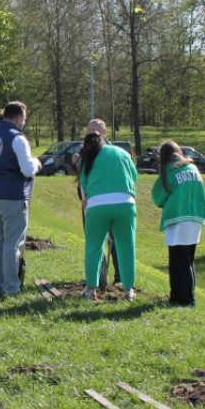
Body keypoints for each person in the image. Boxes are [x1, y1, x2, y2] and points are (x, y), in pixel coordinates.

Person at [0, 102, 41, 296]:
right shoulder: (18, 138)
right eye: (24, 120)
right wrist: (37, 163)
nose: (23, 123)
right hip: (13, 195)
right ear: (17, 118)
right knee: (12, 243)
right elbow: (27, 169)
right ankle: (11, 287)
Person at [78, 131, 139, 300]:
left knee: (94, 247)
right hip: (125, 204)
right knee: (126, 246)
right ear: (105, 140)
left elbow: (84, 184)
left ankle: (91, 290)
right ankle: (128, 290)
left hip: (97, 206)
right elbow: (134, 176)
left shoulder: (88, 158)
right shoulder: (121, 153)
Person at [152, 141, 205, 307]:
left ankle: (183, 299)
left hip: (178, 218)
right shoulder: (192, 168)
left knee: (178, 261)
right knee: (188, 260)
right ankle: (184, 297)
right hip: (196, 217)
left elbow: (157, 196)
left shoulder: (170, 170)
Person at [73, 119, 121, 286]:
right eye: (89, 129)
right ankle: (99, 278)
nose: (91, 132)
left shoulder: (112, 152)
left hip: (110, 201)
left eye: (95, 130)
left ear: (104, 133)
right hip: (90, 203)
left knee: (115, 241)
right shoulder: (84, 150)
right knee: (95, 241)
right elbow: (82, 179)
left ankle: (120, 279)